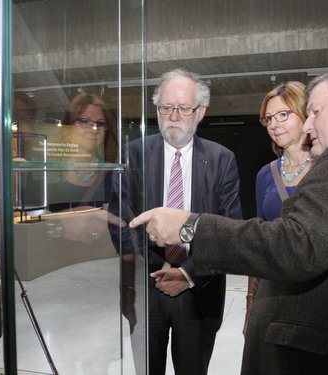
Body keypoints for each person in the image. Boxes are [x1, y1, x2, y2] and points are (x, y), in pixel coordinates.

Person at [129, 67, 328, 375]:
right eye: (167, 107)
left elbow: (295, 244)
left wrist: (190, 226)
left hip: (317, 332)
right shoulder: (136, 154)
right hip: (155, 289)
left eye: (313, 112)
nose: (309, 123)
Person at [116, 69, 242, 375]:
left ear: (200, 112)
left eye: (184, 108)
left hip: (199, 289)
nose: (174, 116)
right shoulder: (133, 154)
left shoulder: (221, 158)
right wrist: (154, 269)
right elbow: (120, 222)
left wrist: (186, 274)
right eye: (166, 107)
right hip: (147, 289)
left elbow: (229, 229)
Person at [244, 81, 314, 334]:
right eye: (269, 118)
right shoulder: (265, 174)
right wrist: (251, 306)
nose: (274, 124)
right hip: (273, 293)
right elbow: (257, 241)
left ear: (305, 113)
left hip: (318, 292)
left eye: (283, 114)